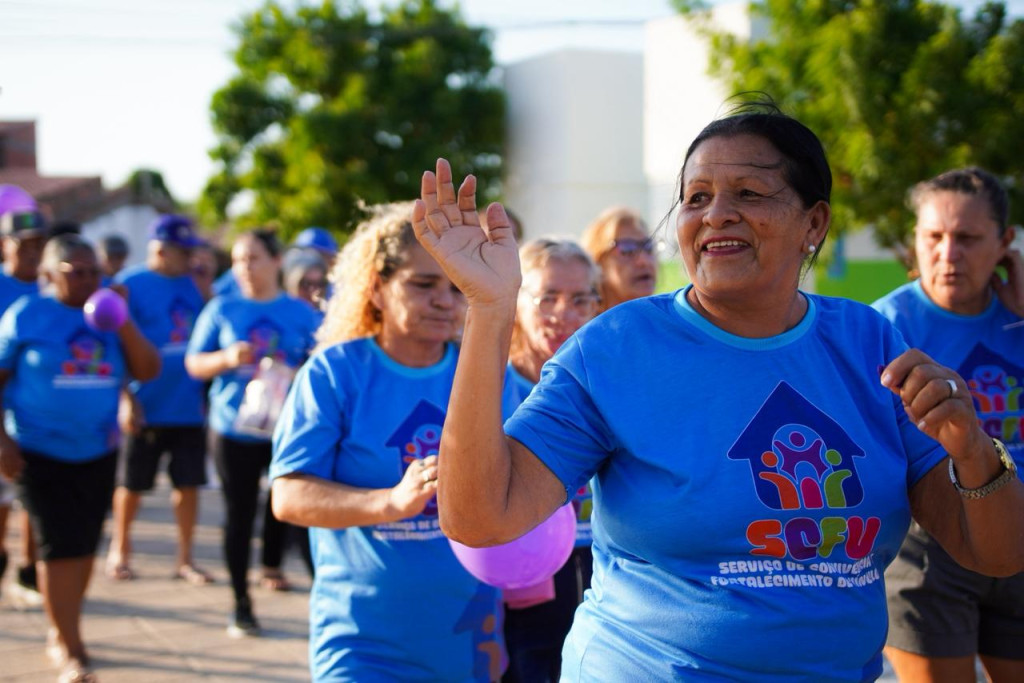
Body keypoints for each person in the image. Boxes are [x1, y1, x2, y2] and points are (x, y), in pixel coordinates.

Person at [409, 104, 1024, 681]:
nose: (715, 214)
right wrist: (490, 309)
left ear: (814, 222)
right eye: (695, 197)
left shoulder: (869, 343)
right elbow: (481, 517)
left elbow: (996, 553)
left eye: (749, 194)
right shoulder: (618, 347)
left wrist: (971, 449)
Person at [269, 203, 506, 682]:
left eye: (455, 287)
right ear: (376, 288)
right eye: (423, 284)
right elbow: (288, 496)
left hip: (469, 638)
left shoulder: (485, 373)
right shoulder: (335, 373)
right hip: (361, 644)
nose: (445, 301)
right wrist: (391, 502)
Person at [874, 167, 1024, 683]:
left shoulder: (1019, 317)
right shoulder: (884, 328)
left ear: (1006, 243)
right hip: (931, 543)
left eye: (967, 238)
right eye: (933, 237)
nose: (948, 254)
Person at [0, 234, 159, 683]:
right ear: (50, 275)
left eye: (95, 272)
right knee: (57, 546)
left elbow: (147, 369)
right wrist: (2, 442)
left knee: (85, 547)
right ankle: (69, 645)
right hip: (37, 451)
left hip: (98, 450)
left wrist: (123, 320)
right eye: (77, 272)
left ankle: (64, 629)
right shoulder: (27, 315)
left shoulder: (108, 315)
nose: (89, 280)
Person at [185, 229, 318, 637]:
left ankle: (322, 597)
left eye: (254, 258)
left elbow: (323, 362)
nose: (244, 267)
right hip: (233, 432)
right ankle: (241, 603)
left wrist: (300, 370)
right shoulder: (221, 309)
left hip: (287, 432)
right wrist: (226, 358)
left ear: (277, 262)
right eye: (239, 259)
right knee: (239, 516)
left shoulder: (300, 312)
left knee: (300, 514)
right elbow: (193, 364)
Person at [502, 238, 600, 683]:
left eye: (580, 299)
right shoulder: (492, 385)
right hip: (518, 577)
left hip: (599, 569)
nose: (564, 313)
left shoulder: (606, 379)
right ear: (518, 302)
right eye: (548, 298)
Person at [106, 214, 212, 584]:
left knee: (188, 485)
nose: (189, 258)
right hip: (145, 403)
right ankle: (120, 549)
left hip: (188, 406)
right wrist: (124, 398)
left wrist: (206, 286)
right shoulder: (129, 285)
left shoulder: (193, 284)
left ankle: (185, 558)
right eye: (183, 251)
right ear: (161, 250)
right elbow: (111, 347)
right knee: (133, 485)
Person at [0, 201, 48, 606]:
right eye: (24, 245)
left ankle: (30, 569)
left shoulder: (50, 289)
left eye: (39, 246)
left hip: (36, 416)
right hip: (3, 412)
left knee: (34, 499)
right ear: (5, 246)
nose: (32, 253)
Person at [579, 206, 658, 311]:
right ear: (598, 261)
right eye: (627, 250)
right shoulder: (582, 324)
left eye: (648, 247)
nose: (644, 261)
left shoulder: (667, 323)